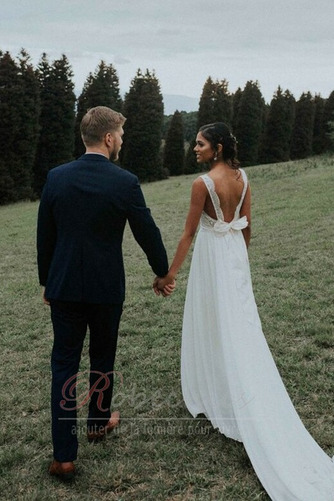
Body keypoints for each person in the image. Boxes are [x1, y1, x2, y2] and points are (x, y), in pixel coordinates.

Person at [154, 122, 334, 500]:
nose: (195, 149)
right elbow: (247, 227)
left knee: (214, 321)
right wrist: (239, 262)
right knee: (238, 321)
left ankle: (222, 388)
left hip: (211, 255)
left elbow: (188, 233)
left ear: (216, 148)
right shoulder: (244, 177)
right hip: (233, 253)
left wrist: (169, 275)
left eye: (200, 144)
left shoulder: (202, 184)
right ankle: (227, 381)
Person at [37, 106, 172, 480]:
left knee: (63, 364)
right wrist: (162, 272)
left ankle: (64, 455)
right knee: (102, 356)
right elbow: (147, 232)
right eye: (121, 137)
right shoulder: (124, 181)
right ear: (109, 138)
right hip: (106, 288)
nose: (122, 143)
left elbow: (45, 235)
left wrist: (47, 280)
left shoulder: (56, 177)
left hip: (64, 285)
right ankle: (97, 423)